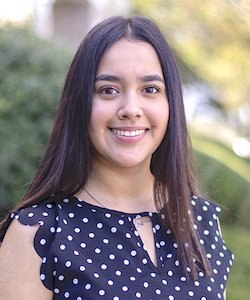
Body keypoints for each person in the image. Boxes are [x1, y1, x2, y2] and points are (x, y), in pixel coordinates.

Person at [0, 15, 233, 299]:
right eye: (108, 90)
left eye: (150, 89)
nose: (131, 109)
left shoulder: (200, 220)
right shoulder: (38, 231)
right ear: (80, 103)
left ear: (171, 103)